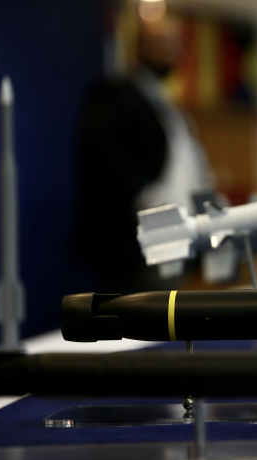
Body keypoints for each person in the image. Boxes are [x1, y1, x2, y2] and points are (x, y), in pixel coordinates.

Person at [75, 17, 214, 293]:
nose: (171, 53)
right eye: (162, 44)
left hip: (177, 235)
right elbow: (103, 151)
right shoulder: (115, 93)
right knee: (143, 311)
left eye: (175, 45)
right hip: (134, 240)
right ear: (140, 48)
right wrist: (146, 197)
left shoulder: (165, 102)